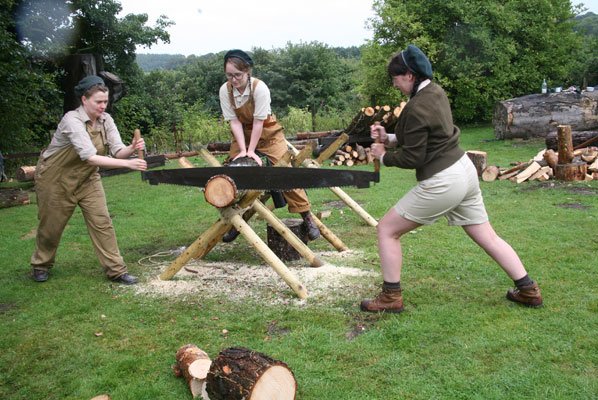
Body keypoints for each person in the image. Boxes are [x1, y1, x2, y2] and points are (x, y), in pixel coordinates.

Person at [361, 45, 543, 313]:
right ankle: (528, 289)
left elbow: (413, 157)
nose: (394, 83)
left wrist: (383, 155)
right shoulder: (435, 92)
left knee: (387, 229)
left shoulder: (415, 106)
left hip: (444, 180)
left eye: (396, 78)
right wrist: (386, 138)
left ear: (409, 75)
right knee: (487, 236)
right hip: (464, 171)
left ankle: (391, 297)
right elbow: (423, 135)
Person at [30, 75, 147, 285]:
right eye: (99, 102)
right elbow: (90, 156)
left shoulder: (106, 120)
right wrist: (129, 164)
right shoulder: (71, 120)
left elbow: (118, 150)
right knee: (51, 228)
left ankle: (116, 270)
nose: (104, 106)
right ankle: (41, 264)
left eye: (106, 101)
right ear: (85, 100)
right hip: (56, 180)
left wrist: (131, 149)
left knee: (103, 223)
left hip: (88, 178)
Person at [218, 49, 320, 242]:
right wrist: (243, 151)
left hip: (267, 133)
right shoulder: (225, 90)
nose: (234, 79)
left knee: (285, 172)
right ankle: (235, 221)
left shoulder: (260, 88)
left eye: (238, 75)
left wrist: (251, 151)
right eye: (229, 75)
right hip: (242, 135)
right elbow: (234, 122)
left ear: (248, 71)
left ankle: (307, 217)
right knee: (230, 174)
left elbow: (258, 122)